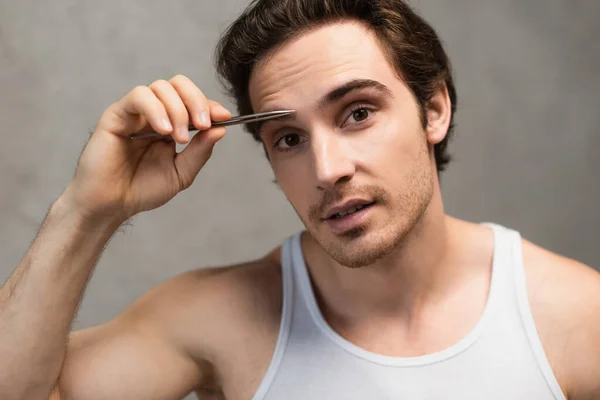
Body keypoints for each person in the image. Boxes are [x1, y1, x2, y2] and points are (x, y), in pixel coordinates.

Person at [1, 0, 598, 399]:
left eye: (358, 113)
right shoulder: (219, 317)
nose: (327, 170)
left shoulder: (574, 317)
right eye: (289, 138)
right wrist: (87, 211)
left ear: (434, 109)